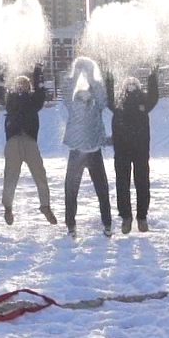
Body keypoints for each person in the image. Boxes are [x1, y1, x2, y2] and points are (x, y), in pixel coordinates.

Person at [0, 65, 58, 225]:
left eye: (25, 85)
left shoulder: (33, 101)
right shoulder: (10, 99)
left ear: (29, 87)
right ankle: (8, 207)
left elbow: (40, 95)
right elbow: (3, 93)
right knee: (11, 175)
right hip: (13, 141)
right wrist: (5, 73)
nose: (21, 87)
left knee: (40, 174)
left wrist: (38, 73)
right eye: (19, 84)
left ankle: (45, 206)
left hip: (30, 141)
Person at [62, 57, 114, 236]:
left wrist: (90, 74)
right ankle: (71, 225)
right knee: (71, 190)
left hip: (93, 152)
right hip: (77, 152)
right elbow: (67, 89)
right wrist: (77, 71)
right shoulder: (72, 103)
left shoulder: (96, 104)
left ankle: (106, 224)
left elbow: (102, 97)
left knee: (101, 190)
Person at [105, 67, 160, 233]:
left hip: (141, 150)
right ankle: (126, 218)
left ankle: (142, 217)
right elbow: (109, 100)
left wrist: (152, 77)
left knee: (142, 182)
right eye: (128, 84)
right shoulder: (118, 102)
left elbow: (154, 97)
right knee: (122, 183)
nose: (131, 86)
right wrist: (109, 80)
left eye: (134, 84)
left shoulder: (144, 101)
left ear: (139, 87)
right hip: (122, 150)